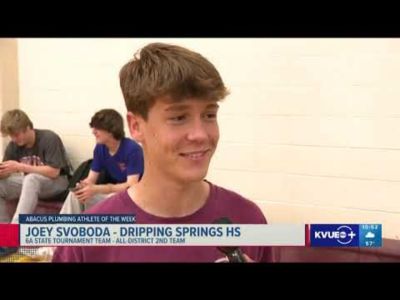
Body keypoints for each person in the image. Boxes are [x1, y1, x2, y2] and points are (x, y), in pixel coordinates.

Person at [53, 43, 273, 262]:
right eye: (178, 117)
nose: (200, 134)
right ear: (136, 126)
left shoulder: (248, 219)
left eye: (209, 115)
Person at [0, 109, 71, 256]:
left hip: (57, 183)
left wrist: (20, 167)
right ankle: (4, 234)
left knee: (31, 178)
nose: (13, 139)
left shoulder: (48, 138)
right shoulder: (14, 145)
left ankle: (13, 237)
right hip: (31, 184)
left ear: (28, 127)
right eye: (11, 135)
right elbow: (7, 171)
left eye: (16, 134)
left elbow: (54, 172)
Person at [59, 108, 144, 214]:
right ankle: (62, 227)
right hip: (114, 192)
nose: (93, 132)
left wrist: (98, 189)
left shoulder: (132, 149)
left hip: (135, 197)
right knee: (76, 195)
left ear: (111, 129)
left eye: (97, 128)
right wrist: (83, 186)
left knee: (113, 198)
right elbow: (91, 179)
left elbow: (131, 185)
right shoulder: (100, 148)